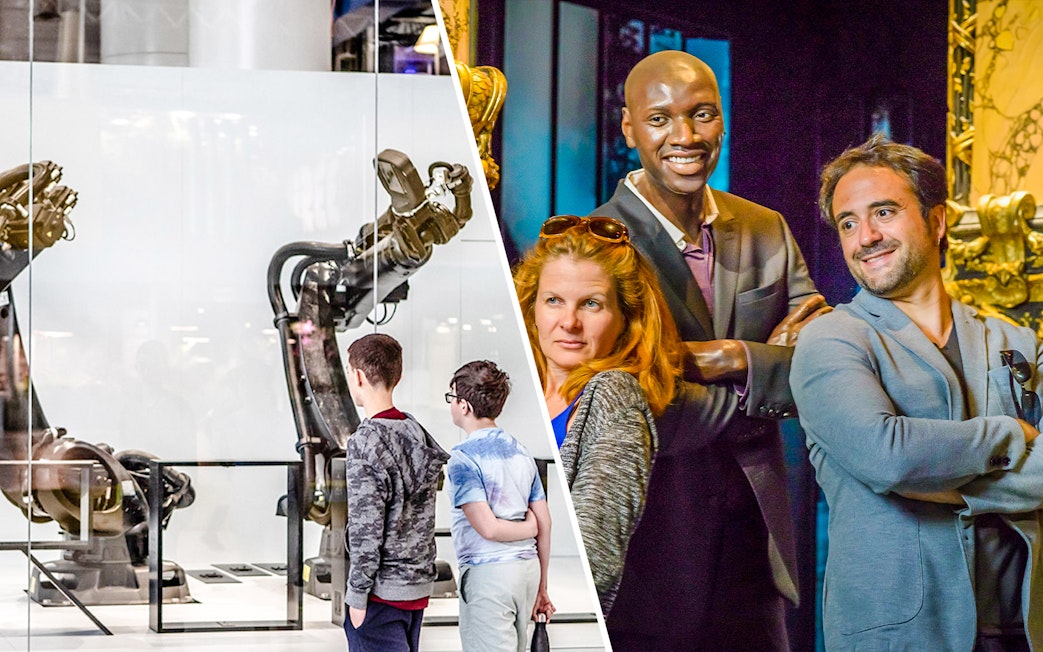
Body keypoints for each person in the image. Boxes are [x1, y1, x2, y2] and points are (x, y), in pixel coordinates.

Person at [588, 49, 829, 649]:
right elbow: (641, 405)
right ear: (628, 128)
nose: (686, 136)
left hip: (759, 539)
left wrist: (728, 358)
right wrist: (766, 374)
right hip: (651, 543)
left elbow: (826, 368)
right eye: (662, 119)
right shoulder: (594, 244)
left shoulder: (766, 227)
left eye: (703, 115)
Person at [791, 134, 1043, 650]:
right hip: (900, 636)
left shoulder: (1016, 341)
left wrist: (952, 488)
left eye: (884, 212)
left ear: (937, 220)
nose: (865, 237)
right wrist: (1009, 435)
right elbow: (890, 457)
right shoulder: (831, 339)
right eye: (848, 223)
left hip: (1022, 628)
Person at [513, 214, 684, 616]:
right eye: (553, 300)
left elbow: (597, 557)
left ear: (627, 319)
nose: (569, 322)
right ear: (532, 306)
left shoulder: (613, 396)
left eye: (591, 304)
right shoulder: (521, 387)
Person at [342, 333, 449, 652]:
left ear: (358, 377)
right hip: (416, 588)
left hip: (380, 593)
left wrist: (357, 594)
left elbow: (366, 529)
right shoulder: (416, 432)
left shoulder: (366, 441)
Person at [444, 360, 554, 652]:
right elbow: (545, 523)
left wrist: (529, 527)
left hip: (489, 576)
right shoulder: (521, 452)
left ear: (464, 406)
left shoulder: (462, 459)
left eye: (451, 398)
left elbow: (488, 529)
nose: (451, 404)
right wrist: (542, 587)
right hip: (527, 573)